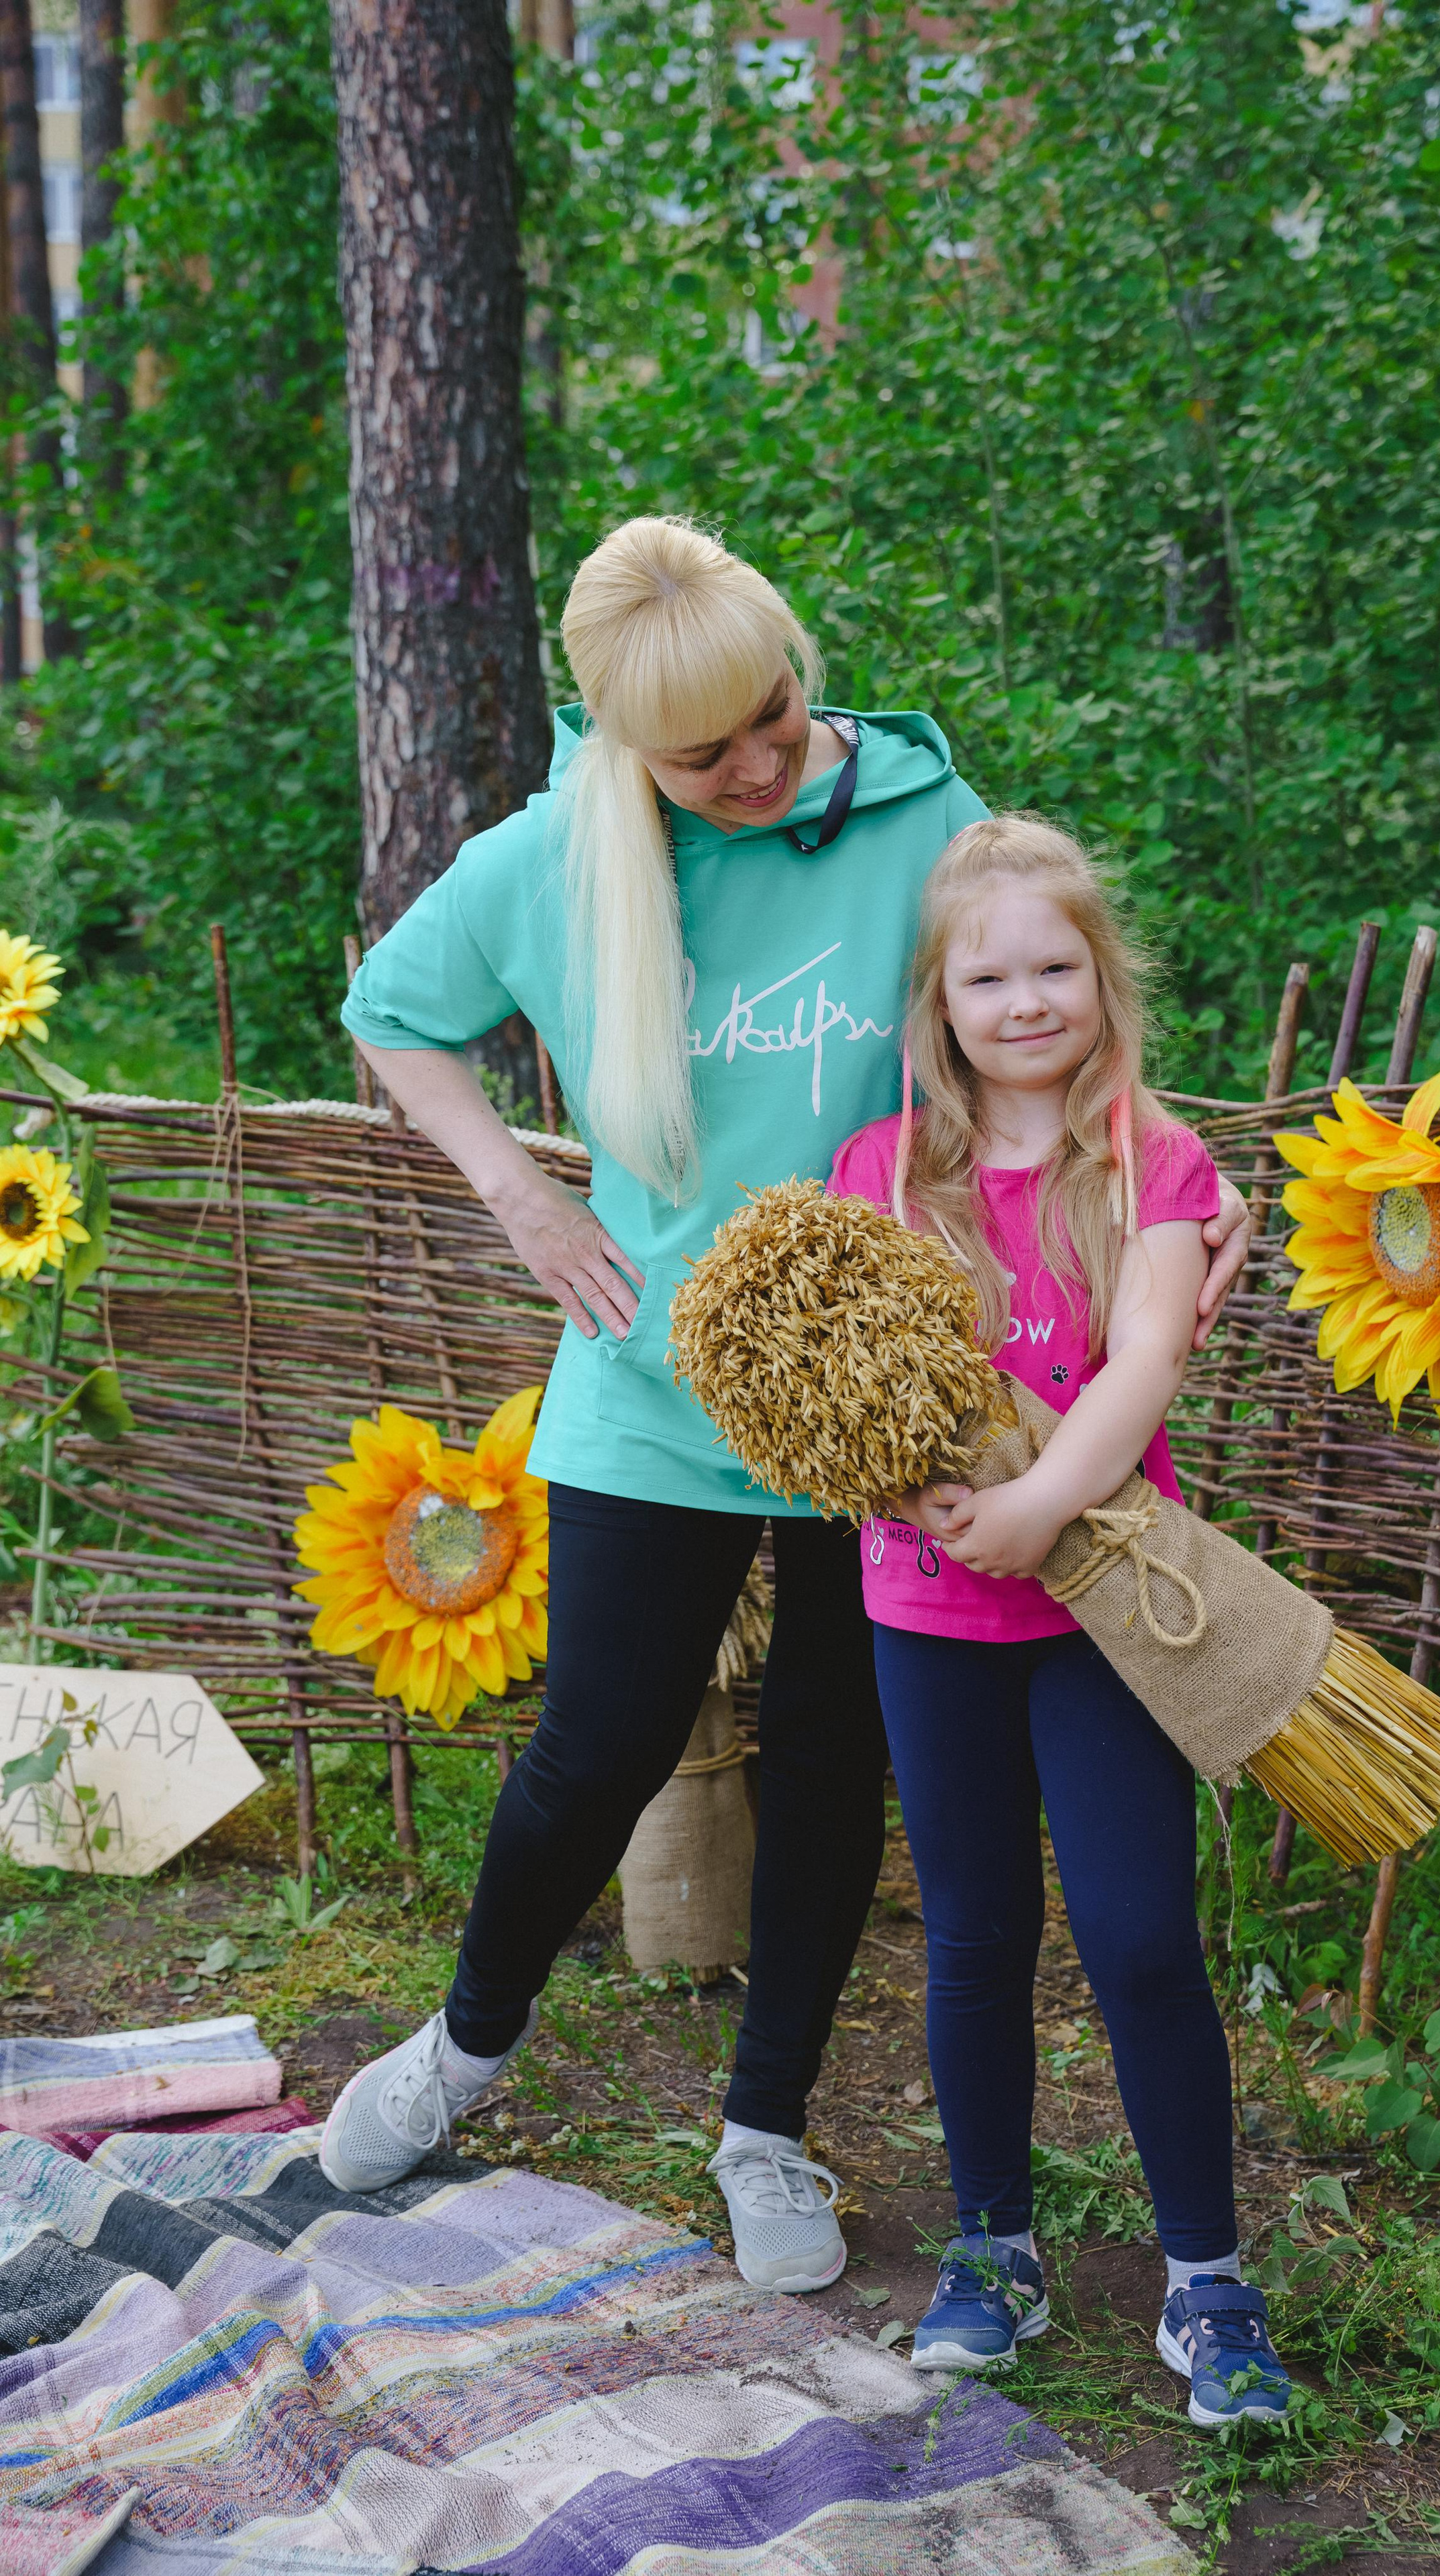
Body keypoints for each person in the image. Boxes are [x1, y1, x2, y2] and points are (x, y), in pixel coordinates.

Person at [318, 517, 1253, 2300]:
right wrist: (522, 1193)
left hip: (896, 1393)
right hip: (648, 1374)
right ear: (616, 747)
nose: (755, 768)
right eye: (702, 755)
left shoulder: (915, 813)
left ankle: (766, 2129)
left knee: (838, 1761)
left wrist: (1181, 1205)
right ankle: (467, 2044)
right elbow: (393, 1013)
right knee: (595, 1742)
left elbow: (1042, 993)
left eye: (772, 717)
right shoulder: (554, 860)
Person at [829, 812, 1290, 2425]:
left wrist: (1037, 1513)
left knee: (1139, 1935)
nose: (1023, 1000)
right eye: (986, 975)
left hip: (1102, 1609)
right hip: (929, 1609)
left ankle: (1205, 2279)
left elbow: (1145, 1362)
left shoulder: (1151, 1165)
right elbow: (850, 1391)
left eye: (1052, 966)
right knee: (970, 1938)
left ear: (1102, 975)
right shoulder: (876, 1175)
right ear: (938, 1003)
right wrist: (939, 1504)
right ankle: (992, 2245)